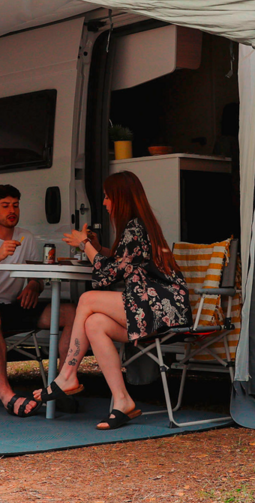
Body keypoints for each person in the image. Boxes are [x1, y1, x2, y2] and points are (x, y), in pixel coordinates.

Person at [35, 171, 190, 429]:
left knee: (87, 299)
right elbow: (122, 263)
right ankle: (122, 401)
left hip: (162, 308)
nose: (104, 203)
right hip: (152, 306)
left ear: (120, 198)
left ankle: (67, 375)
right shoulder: (138, 226)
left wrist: (84, 243)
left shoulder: (135, 228)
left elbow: (107, 276)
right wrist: (99, 248)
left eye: (107, 197)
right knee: (94, 323)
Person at [0, 183, 74, 416]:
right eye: (5, 206)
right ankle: (5, 393)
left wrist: (33, 285)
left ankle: (61, 384)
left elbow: (35, 278)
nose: (12, 210)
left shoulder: (26, 237)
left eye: (16, 205)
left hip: (12, 306)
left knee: (72, 312)